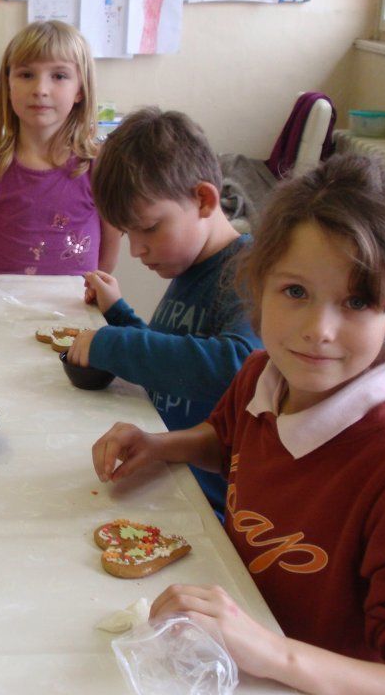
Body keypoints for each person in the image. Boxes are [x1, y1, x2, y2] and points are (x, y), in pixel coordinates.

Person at [91, 155, 385, 694]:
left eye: (357, 300)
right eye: (296, 292)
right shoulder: (263, 374)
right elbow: (231, 441)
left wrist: (273, 653)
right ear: (259, 285)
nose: (318, 330)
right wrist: (163, 445)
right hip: (232, 646)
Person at [67, 107, 261, 511]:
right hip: (164, 471)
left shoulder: (247, 272)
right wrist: (119, 313)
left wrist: (114, 343)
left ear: (203, 200)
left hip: (207, 502)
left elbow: (239, 367)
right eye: (128, 233)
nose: (136, 250)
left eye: (150, 228)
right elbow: (172, 355)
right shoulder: (190, 266)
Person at [0, 20, 119, 275]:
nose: (40, 89)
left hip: (78, 301)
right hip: (5, 301)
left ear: (80, 90)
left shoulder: (100, 168)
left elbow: (107, 263)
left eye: (59, 76)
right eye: (26, 75)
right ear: (8, 85)